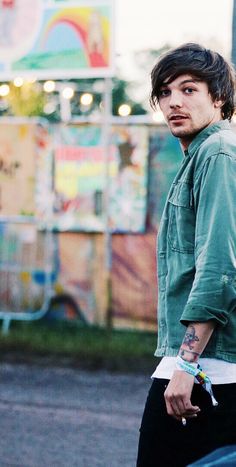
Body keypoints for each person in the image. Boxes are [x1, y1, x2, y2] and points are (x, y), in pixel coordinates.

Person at [136, 43, 236, 467]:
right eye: (164, 92)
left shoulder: (217, 153)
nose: (173, 101)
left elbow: (219, 267)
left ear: (219, 98)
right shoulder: (200, 157)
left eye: (189, 89)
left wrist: (187, 364)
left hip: (208, 369)